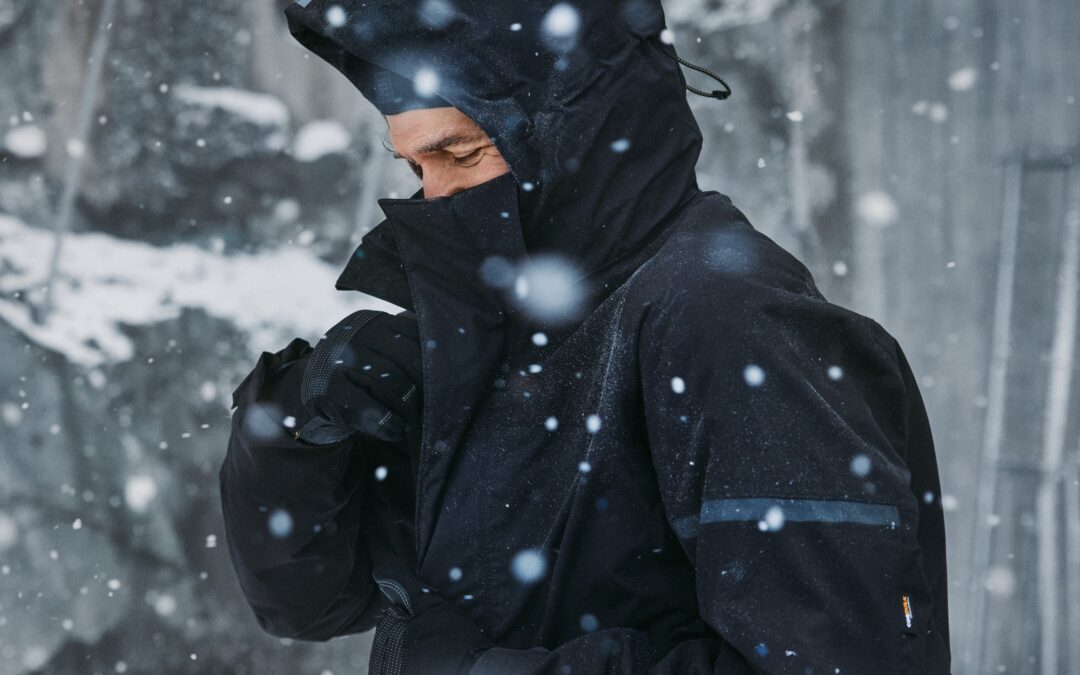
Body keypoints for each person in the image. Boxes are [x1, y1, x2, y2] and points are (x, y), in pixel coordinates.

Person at [218, 1, 951, 673]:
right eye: (413, 165)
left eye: (461, 154)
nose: (432, 195)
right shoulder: (503, 332)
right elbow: (310, 600)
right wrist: (294, 420)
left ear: (570, 129)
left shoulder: (725, 321)